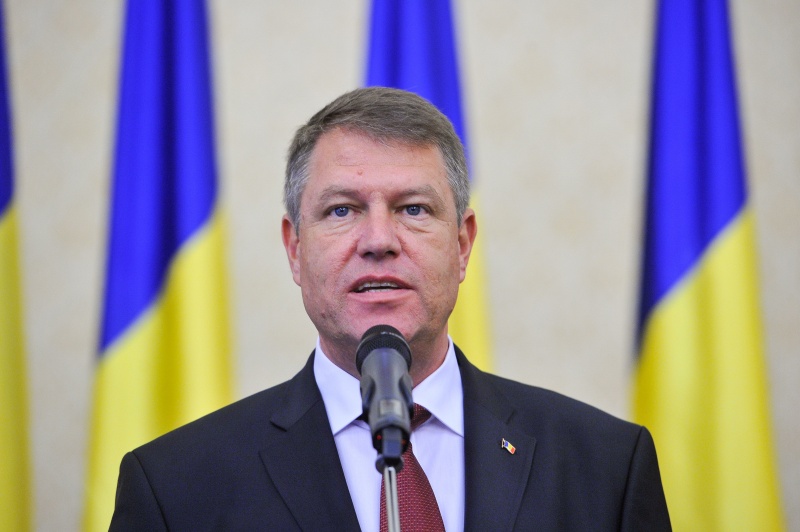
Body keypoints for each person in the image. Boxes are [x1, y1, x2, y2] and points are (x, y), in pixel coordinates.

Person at [110, 87, 671, 531]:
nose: (379, 240)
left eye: (413, 208)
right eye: (341, 210)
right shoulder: (174, 489)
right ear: (295, 248)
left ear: (462, 244)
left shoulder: (606, 468)